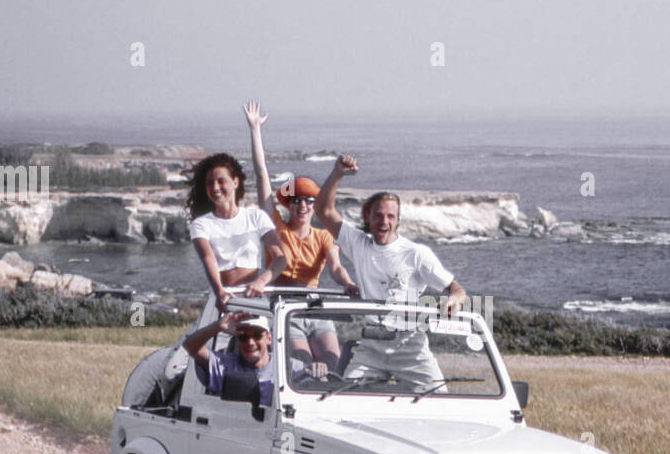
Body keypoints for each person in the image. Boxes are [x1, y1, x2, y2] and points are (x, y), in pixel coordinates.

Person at [313, 155, 468, 388]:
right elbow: (323, 210)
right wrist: (337, 173)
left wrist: (454, 299)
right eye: (378, 215)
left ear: (397, 221)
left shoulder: (416, 253)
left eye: (390, 216)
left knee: (439, 398)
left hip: (410, 345)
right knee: (345, 397)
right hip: (371, 345)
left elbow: (456, 289)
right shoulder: (359, 245)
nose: (384, 221)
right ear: (368, 217)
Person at [244, 100, 358, 368]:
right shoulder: (275, 225)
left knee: (332, 362)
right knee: (303, 363)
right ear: (288, 204)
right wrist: (255, 130)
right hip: (284, 306)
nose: (303, 205)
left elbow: (336, 267)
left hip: (315, 305)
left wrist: (349, 284)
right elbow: (262, 176)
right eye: (297, 200)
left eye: (309, 201)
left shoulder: (323, 236)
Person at [186, 132, 289, 313]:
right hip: (223, 298)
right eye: (210, 183)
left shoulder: (256, 217)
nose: (215, 188)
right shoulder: (201, 224)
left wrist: (261, 281)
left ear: (235, 182)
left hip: (253, 299)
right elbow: (208, 259)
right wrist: (220, 292)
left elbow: (280, 259)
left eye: (221, 181)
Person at [182, 311, 326, 407]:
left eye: (257, 336)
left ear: (269, 338)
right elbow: (190, 346)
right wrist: (218, 326)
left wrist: (320, 374)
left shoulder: (289, 367)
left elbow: (321, 394)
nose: (250, 343)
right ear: (237, 342)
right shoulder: (224, 365)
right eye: (243, 337)